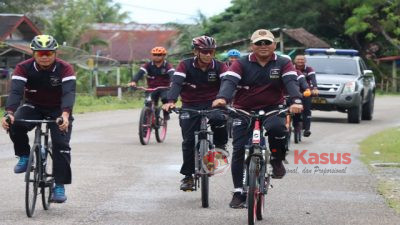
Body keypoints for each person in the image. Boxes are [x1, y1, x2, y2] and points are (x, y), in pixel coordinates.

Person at [212, 29, 303, 208]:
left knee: (278, 129)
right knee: (238, 148)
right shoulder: (241, 63)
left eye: (267, 42)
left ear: (274, 45)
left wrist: (297, 100)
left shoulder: (284, 62)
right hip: (243, 110)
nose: (263, 46)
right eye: (259, 43)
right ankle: (239, 191)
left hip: (272, 108)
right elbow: (230, 81)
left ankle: (277, 159)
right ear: (252, 45)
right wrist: (222, 97)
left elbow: (291, 82)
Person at [1, 35, 75, 203]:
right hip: (33, 106)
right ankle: (25, 155)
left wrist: (65, 115)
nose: (45, 57)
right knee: (15, 122)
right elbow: (16, 92)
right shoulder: (23, 68)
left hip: (58, 109)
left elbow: (68, 93)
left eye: (48, 53)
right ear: (33, 53)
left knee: (61, 145)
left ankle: (59, 185)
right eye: (40, 53)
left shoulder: (65, 68)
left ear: (55, 53)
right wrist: (9, 113)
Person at [162, 35, 228, 191]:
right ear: (196, 52)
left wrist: (223, 98)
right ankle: (188, 176)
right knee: (188, 141)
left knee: (220, 120)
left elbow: (227, 83)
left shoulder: (220, 66)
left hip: (213, 103)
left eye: (210, 51)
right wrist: (171, 101)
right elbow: (176, 83)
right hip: (190, 105)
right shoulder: (184, 65)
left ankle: (220, 147)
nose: (207, 55)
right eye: (204, 51)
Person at [128, 47, 175, 118]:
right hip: (152, 88)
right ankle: (147, 122)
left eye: (159, 55)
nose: (156, 56)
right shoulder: (148, 65)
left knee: (165, 98)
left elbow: (172, 74)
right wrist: (134, 81)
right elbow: (140, 73)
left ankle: (166, 113)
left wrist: (173, 82)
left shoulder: (167, 65)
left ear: (163, 56)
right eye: (154, 54)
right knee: (148, 103)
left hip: (164, 88)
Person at [293, 54, 318, 137]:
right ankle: (295, 125)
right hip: (294, 91)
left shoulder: (309, 69)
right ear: (294, 61)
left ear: (305, 61)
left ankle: (307, 129)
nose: (300, 61)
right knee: (295, 110)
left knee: (307, 110)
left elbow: (313, 79)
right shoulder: (291, 68)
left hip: (306, 91)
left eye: (302, 60)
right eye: (298, 59)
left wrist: (314, 88)